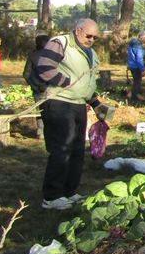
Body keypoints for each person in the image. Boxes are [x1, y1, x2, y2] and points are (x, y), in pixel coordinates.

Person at [36, 18, 106, 210]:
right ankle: (51, 196)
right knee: (61, 149)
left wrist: (96, 103)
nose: (91, 40)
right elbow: (44, 67)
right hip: (59, 103)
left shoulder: (91, 53)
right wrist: (67, 82)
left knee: (76, 150)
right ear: (77, 30)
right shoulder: (60, 43)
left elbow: (89, 82)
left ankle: (69, 191)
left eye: (95, 37)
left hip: (78, 105)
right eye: (88, 35)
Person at [23, 33, 50, 138]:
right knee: (52, 111)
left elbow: (26, 74)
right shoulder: (52, 56)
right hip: (50, 88)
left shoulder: (32, 55)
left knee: (39, 111)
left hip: (37, 89)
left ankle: (40, 132)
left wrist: (34, 85)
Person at [127, 32, 145, 104]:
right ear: (143, 37)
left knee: (135, 81)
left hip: (131, 64)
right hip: (136, 66)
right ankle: (134, 97)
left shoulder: (132, 43)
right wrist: (142, 69)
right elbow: (139, 58)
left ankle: (131, 94)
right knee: (137, 82)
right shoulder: (138, 45)